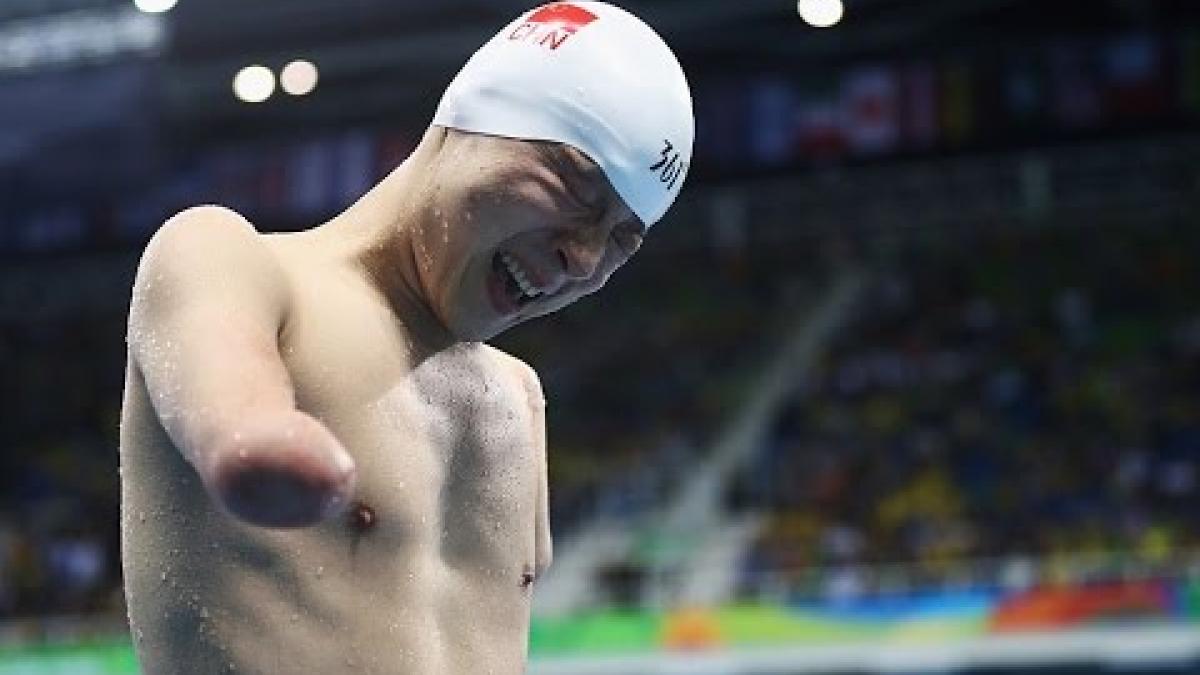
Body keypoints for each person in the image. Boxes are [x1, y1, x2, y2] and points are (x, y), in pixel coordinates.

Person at [119, 2, 693, 673]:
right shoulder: (229, 259)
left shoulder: (519, 397)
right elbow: (236, 425)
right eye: (575, 184)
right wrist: (265, 445)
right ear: (473, 120)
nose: (586, 257)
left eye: (622, 238)